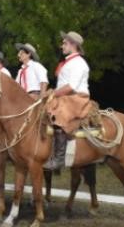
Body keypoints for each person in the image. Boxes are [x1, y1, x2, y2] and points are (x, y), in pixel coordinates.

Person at [47, 30, 90, 170]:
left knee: (59, 116)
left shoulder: (79, 63)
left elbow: (71, 87)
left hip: (77, 98)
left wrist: (53, 93)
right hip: (65, 97)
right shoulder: (68, 62)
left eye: (65, 43)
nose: (62, 46)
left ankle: (59, 159)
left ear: (73, 45)